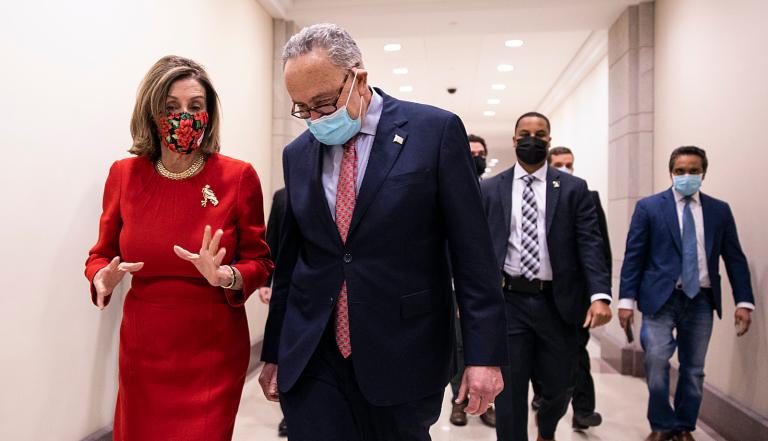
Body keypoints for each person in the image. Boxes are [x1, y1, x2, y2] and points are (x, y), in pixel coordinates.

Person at [258, 23, 506, 441]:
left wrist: (484, 357)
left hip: (403, 347)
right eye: (302, 108)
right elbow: (291, 262)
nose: (315, 118)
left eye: (323, 102)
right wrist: (274, 352)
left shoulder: (434, 132)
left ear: (359, 78)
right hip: (314, 349)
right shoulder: (297, 154)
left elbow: (473, 255)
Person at [84, 55, 273, 441]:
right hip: (143, 347)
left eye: (195, 107)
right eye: (171, 107)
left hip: (212, 349)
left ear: (209, 113)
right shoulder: (125, 175)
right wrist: (101, 278)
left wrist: (226, 275)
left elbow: (260, 262)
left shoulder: (238, 176)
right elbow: (100, 254)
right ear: (153, 112)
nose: (183, 117)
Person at [480, 112, 612, 441]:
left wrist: (599, 295)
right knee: (509, 391)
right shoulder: (491, 189)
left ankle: (547, 431)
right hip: (509, 302)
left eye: (540, 134)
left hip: (558, 303)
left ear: (549, 140)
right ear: (514, 140)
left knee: (560, 386)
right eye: (525, 133)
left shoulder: (573, 189)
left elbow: (590, 243)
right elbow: (477, 247)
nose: (532, 139)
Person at [618, 146, 755, 441]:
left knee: (693, 369)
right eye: (680, 171)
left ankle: (683, 426)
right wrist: (625, 301)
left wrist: (744, 301)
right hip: (660, 300)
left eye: (693, 171)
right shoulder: (650, 207)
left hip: (701, 300)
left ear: (704, 172)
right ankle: (661, 424)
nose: (686, 176)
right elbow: (634, 257)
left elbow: (734, 258)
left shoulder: (719, 211)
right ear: (671, 172)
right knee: (655, 361)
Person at [528, 147, 611, 431]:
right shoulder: (531, 196)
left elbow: (598, 248)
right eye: (559, 164)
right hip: (537, 294)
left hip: (574, 297)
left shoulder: (585, 196)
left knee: (577, 353)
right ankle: (544, 398)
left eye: (569, 164)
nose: (565, 169)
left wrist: (599, 294)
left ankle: (583, 410)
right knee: (544, 356)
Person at [450, 133, 496, 428]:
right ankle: (458, 402)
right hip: (454, 286)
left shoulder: (495, 193)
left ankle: (487, 404)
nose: (476, 158)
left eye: (480, 153)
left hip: (489, 286)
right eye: (471, 153)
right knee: (457, 347)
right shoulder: (449, 190)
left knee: (486, 348)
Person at [258, 187, 289, 438]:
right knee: (286, 355)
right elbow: (272, 244)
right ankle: (289, 415)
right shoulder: (282, 197)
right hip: (288, 292)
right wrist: (265, 283)